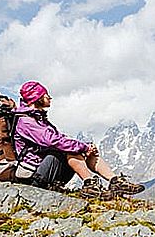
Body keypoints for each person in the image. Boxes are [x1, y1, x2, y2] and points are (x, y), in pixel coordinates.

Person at [12, 80, 145, 200]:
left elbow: (58, 139)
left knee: (81, 150)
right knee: (70, 150)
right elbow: (52, 141)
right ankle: (90, 185)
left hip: (45, 170)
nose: (49, 97)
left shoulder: (37, 118)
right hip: (33, 177)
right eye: (46, 94)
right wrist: (82, 147)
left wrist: (85, 148)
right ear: (37, 97)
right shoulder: (26, 121)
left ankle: (115, 181)